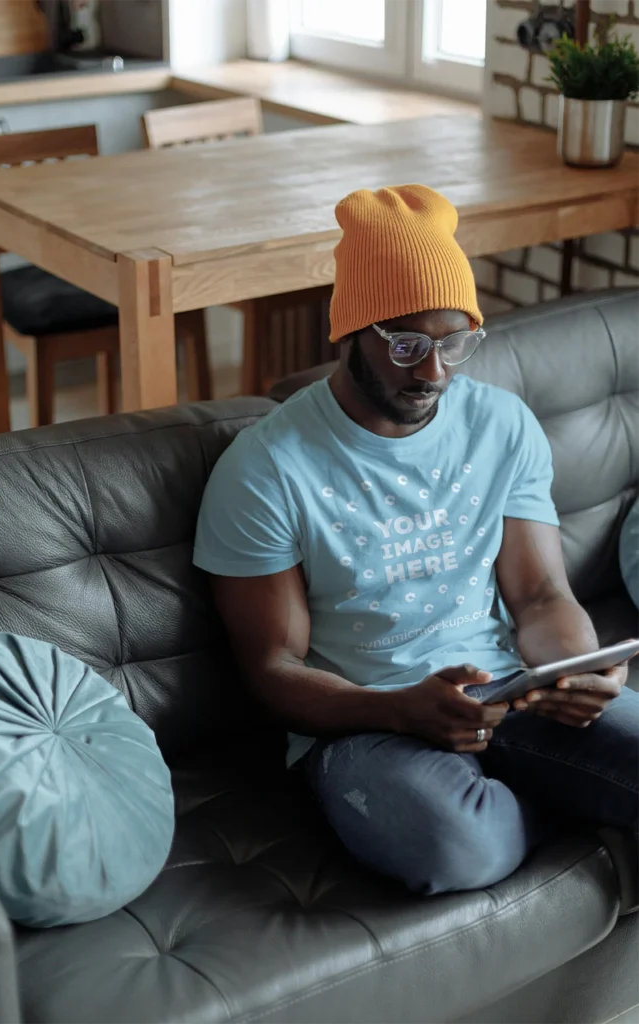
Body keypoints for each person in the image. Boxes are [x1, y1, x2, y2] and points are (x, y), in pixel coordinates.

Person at [194, 183, 639, 895]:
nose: (432, 372)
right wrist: (397, 707)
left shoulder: (501, 424)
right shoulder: (265, 469)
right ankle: (577, 802)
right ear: (346, 334)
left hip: (508, 693)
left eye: (454, 342)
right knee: (456, 848)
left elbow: (538, 594)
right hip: (366, 725)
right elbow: (272, 667)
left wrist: (576, 670)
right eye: (405, 345)